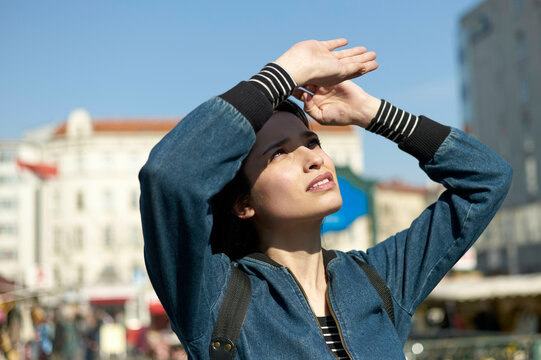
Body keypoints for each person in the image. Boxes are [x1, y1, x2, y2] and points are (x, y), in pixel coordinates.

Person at [139, 38, 512, 359]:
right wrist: (283, 73)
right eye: (279, 153)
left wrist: (370, 113)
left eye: (312, 142)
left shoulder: (377, 279)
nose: (315, 158)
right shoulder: (214, 296)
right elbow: (171, 175)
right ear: (243, 203)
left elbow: (486, 180)